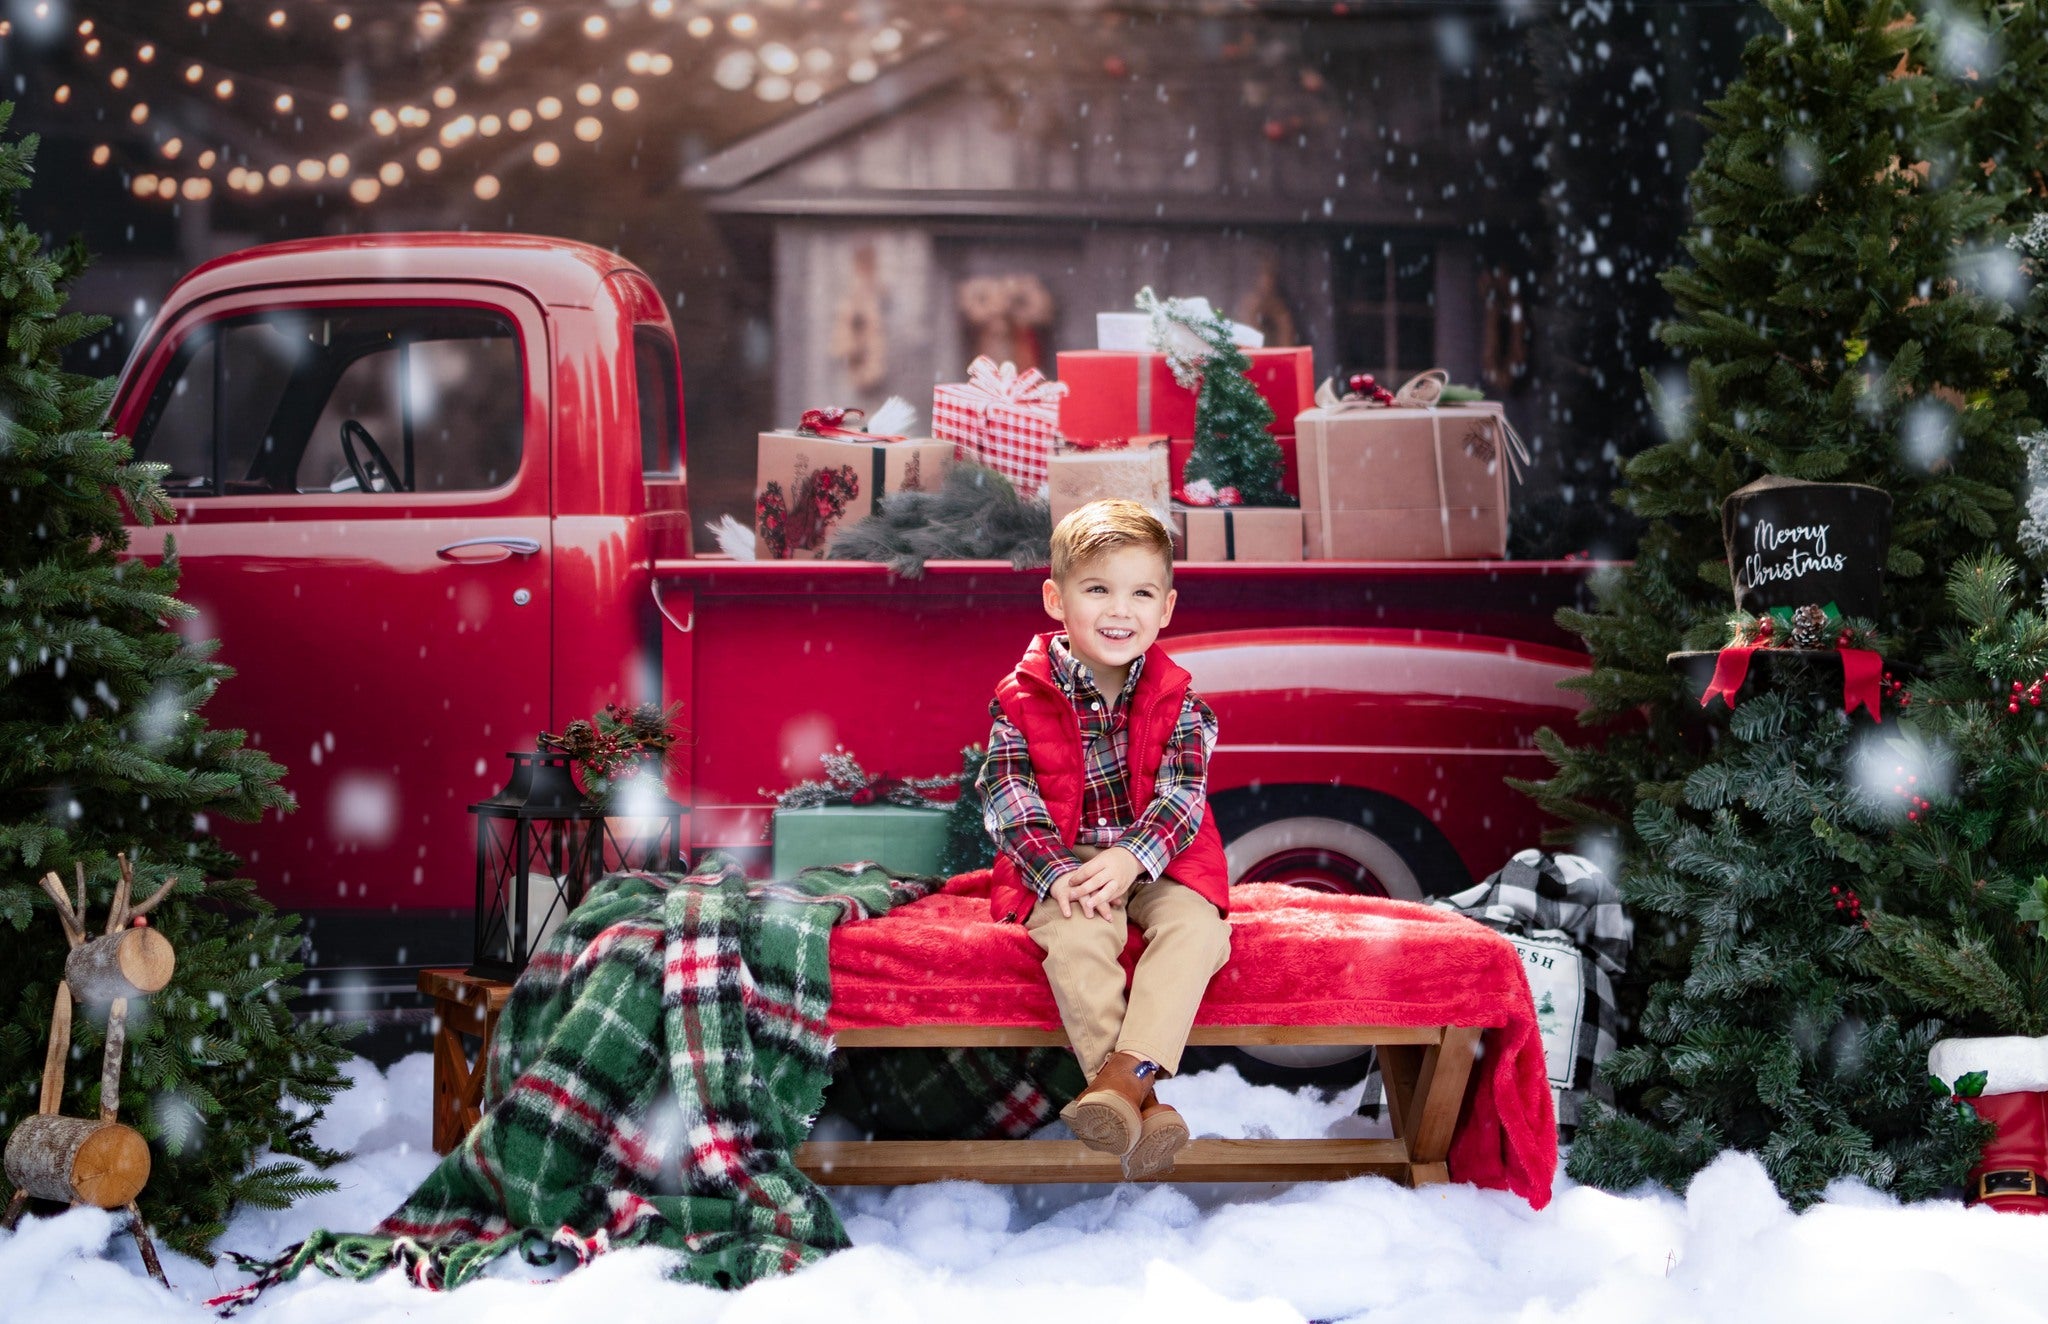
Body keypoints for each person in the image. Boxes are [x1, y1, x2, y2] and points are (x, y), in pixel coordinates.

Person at [977, 498, 1233, 1179]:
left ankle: (1120, 1082)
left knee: (1198, 931)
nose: (1120, 611)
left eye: (1140, 593)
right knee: (1080, 938)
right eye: (1097, 590)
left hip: (1162, 856)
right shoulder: (1019, 696)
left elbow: (1183, 799)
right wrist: (1056, 873)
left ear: (1167, 607)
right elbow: (1008, 796)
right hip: (1063, 860)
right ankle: (1139, 1100)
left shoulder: (1183, 701)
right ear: (1056, 600)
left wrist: (1130, 857)